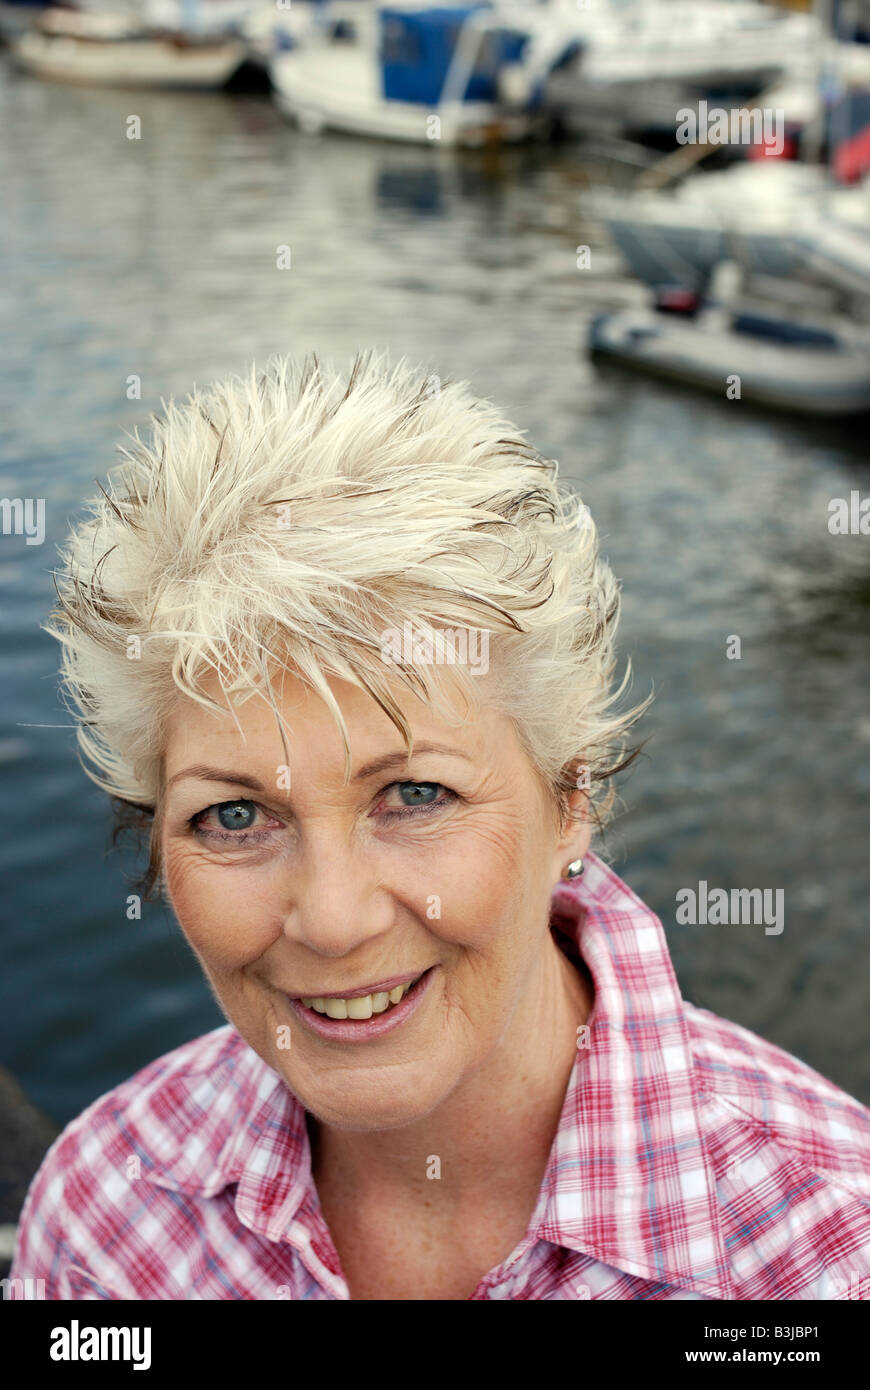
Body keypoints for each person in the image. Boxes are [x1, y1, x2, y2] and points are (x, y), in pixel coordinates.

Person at [10, 353, 870, 1300]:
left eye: (416, 796)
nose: (334, 922)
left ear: (571, 798)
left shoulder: (826, 1254)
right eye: (235, 815)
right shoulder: (107, 1222)